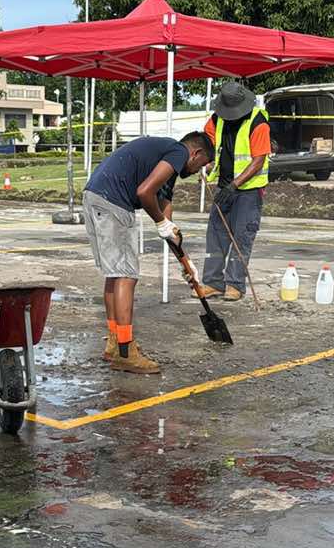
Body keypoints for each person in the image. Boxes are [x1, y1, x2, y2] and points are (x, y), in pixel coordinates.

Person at [83, 130, 215, 374]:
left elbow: (165, 213)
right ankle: (125, 352)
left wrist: (184, 260)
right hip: (113, 202)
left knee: (115, 274)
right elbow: (145, 192)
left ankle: (115, 343)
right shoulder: (178, 151)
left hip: (95, 196)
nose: (199, 171)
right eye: (201, 165)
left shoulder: (166, 161)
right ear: (195, 153)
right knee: (126, 275)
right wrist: (161, 223)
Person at [199, 80, 270, 301]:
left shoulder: (258, 122)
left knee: (242, 237)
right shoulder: (216, 119)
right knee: (216, 236)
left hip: (248, 191)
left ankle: (235, 284)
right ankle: (212, 283)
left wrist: (234, 185)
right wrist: (204, 163)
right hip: (224, 186)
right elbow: (207, 145)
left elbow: (258, 161)